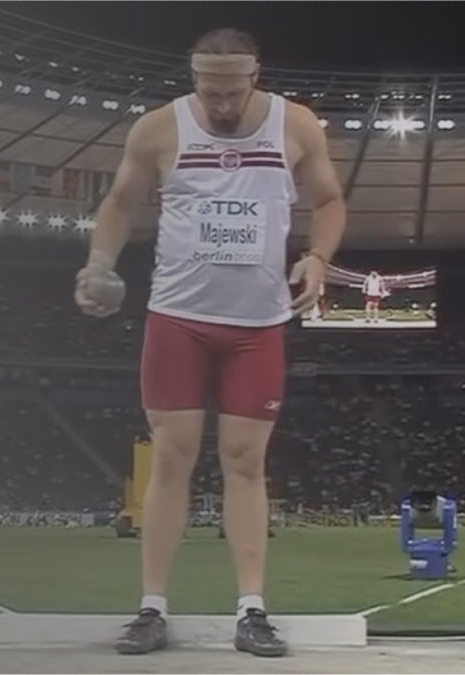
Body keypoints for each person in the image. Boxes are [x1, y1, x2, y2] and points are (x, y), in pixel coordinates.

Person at [74, 28, 346, 657]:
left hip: (257, 325)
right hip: (178, 319)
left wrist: (318, 257)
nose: (221, 103)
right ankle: (151, 609)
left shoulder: (295, 124)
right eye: (209, 90)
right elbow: (120, 201)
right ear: (194, 77)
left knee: (246, 461)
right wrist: (98, 264)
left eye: (233, 91)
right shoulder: (158, 128)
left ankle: (252, 610)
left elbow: (330, 200)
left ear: (255, 76)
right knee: (172, 458)